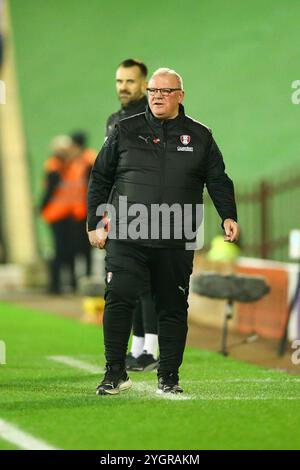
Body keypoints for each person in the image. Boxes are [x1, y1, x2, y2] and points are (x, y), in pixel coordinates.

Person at [87, 68, 239, 395]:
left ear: (180, 96)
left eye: (165, 91)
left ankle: (168, 376)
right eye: (154, 90)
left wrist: (228, 214)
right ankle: (115, 372)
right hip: (128, 234)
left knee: (172, 305)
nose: (157, 96)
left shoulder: (200, 135)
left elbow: (218, 179)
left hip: (176, 236)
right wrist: (95, 222)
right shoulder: (124, 130)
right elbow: (100, 176)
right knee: (119, 297)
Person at [106, 58, 159, 372]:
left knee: (147, 283)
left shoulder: (153, 117)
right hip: (120, 210)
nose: (123, 87)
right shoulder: (114, 119)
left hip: (149, 209)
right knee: (128, 281)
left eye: (130, 81)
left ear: (144, 83)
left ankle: (151, 349)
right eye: (119, 81)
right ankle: (137, 347)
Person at [41, 135, 93, 293]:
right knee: (60, 251)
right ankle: (55, 286)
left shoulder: (74, 165)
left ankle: (70, 284)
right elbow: (50, 191)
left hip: (71, 214)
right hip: (57, 214)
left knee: (72, 250)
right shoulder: (55, 167)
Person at [70, 131, 96, 277]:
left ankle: (87, 276)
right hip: (79, 209)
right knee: (81, 246)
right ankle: (84, 276)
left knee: (85, 246)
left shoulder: (87, 160)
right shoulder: (83, 159)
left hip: (85, 209)